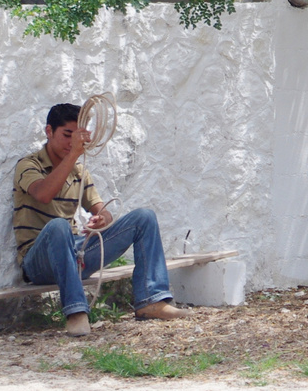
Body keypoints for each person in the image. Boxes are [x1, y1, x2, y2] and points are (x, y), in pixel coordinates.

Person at [14, 103, 188, 336]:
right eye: (67, 135)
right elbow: (44, 194)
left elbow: (102, 211)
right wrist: (74, 154)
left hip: (75, 254)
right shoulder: (28, 165)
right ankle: (76, 311)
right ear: (49, 132)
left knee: (144, 218)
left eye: (77, 137)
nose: (72, 143)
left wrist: (101, 219)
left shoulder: (79, 171)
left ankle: (151, 301)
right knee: (57, 227)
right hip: (38, 262)